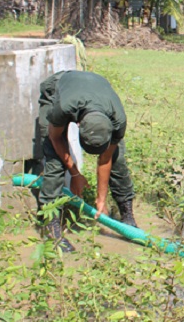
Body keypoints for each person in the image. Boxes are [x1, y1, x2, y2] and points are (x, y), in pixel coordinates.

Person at [35, 70, 137, 252]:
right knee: (54, 160)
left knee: (117, 159)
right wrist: (75, 174)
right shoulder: (63, 108)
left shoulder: (118, 119)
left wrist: (101, 199)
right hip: (58, 88)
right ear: (79, 125)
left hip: (96, 89)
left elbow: (105, 160)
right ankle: (52, 230)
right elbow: (55, 137)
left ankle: (127, 214)